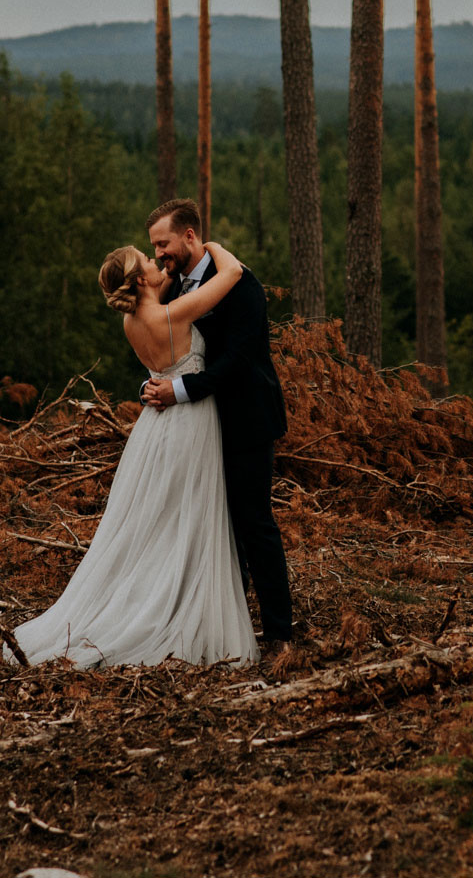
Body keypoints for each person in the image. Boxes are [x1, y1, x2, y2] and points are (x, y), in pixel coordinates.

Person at [3, 237, 257, 668]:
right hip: (190, 421)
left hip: (155, 426)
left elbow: (160, 361)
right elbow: (233, 274)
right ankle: (172, 604)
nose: (156, 259)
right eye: (147, 258)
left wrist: (168, 272)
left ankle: (151, 592)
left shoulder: (132, 322)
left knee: (156, 518)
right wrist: (209, 244)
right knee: (188, 514)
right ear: (140, 278)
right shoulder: (171, 313)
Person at [140, 197, 299, 649]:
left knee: (253, 524)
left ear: (190, 235)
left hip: (246, 420)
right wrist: (156, 386)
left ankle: (279, 636)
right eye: (153, 247)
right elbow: (165, 347)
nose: (158, 255)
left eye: (164, 244)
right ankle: (225, 629)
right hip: (199, 427)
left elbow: (238, 360)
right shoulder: (172, 288)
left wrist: (180, 392)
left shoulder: (239, 282)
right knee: (213, 526)